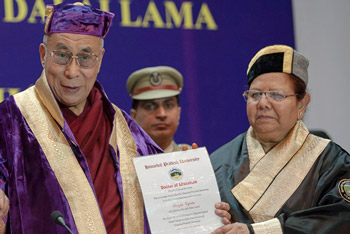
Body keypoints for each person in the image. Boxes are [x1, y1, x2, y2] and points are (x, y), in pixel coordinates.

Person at [0, 3, 163, 233]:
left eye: (85, 57)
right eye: (62, 55)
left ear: (100, 60)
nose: (73, 72)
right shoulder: (10, 120)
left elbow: (166, 203)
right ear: (43, 55)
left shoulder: (125, 130)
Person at [210, 45, 350, 234]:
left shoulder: (331, 162)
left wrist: (259, 231)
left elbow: (342, 219)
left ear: (302, 103)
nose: (263, 104)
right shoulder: (219, 161)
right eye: (255, 95)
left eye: (277, 95)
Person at [126, 66, 190, 152]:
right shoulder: (120, 162)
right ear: (133, 116)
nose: (162, 114)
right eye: (150, 106)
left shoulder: (192, 158)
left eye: (168, 105)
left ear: (179, 113)